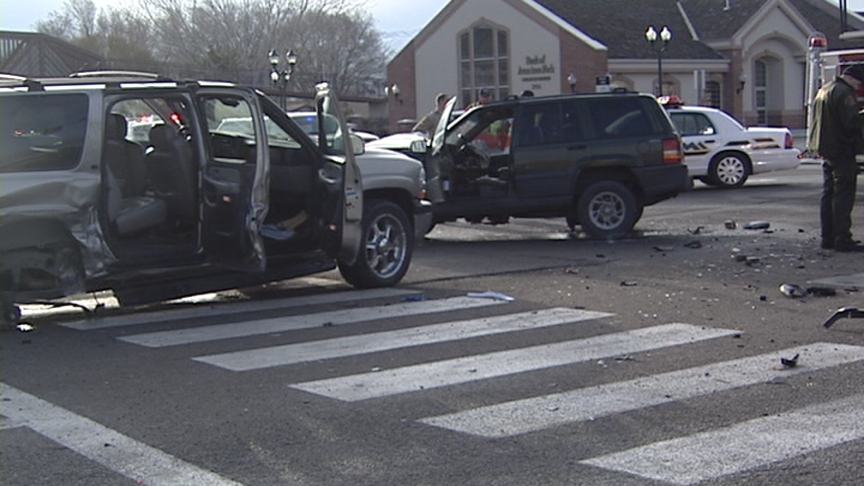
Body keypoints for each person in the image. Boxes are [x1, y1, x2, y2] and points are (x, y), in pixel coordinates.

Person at [808, 64, 864, 252]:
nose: (858, 88)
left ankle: (828, 237)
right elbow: (851, 122)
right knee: (843, 194)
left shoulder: (824, 90)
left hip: (826, 148)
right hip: (842, 149)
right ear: (853, 79)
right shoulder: (844, 93)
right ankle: (842, 238)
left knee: (829, 193)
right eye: (859, 84)